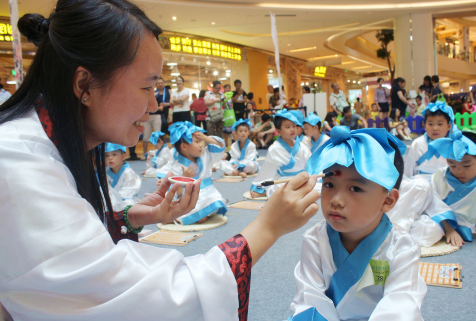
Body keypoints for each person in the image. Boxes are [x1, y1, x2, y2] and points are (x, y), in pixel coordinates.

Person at [0, 2, 321, 319]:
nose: (155, 105)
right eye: (146, 87)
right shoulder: (19, 164)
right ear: (84, 84)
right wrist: (268, 226)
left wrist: (131, 217)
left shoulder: (45, 143)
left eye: (158, 88)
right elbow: (136, 298)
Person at [289, 126, 426, 320]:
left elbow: (401, 306)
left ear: (388, 201)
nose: (336, 200)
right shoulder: (314, 240)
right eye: (329, 184)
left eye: (355, 188)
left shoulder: (403, 247)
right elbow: (310, 298)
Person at [156, 121, 227, 224]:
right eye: (197, 142)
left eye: (200, 142)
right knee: (183, 206)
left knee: (215, 201)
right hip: (187, 197)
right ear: (184, 147)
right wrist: (184, 178)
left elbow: (220, 146)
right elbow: (175, 193)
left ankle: (199, 215)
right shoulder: (177, 166)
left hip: (208, 192)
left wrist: (206, 138)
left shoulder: (204, 154)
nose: (200, 145)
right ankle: (184, 217)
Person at [427, 131, 476, 246]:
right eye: (453, 165)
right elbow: (434, 204)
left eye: (467, 165)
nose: (459, 171)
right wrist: (448, 229)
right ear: (447, 161)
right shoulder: (439, 176)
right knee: (426, 232)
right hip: (442, 223)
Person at [250, 109, 311, 198]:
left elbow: (311, 164)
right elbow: (267, 170)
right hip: (284, 180)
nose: (292, 129)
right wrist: (260, 186)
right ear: (278, 131)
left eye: (294, 126)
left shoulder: (302, 146)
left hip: (302, 179)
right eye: (287, 127)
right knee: (277, 188)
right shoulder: (274, 148)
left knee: (317, 185)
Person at [386, 175, 447, 247]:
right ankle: (392, 231)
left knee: (435, 231)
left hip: (426, 201)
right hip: (404, 185)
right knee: (419, 185)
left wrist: (448, 228)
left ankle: (397, 234)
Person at [404, 102, 454, 179]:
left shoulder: (454, 144)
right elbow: (408, 170)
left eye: (440, 124)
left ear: (449, 126)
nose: (435, 128)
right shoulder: (418, 143)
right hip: (422, 184)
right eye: (430, 124)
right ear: (425, 126)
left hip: (447, 184)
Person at [143, 78, 167, 156]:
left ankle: (159, 152)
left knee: (157, 135)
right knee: (145, 136)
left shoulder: (158, 95)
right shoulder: (145, 95)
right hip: (147, 117)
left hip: (156, 116)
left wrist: (151, 108)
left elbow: (161, 108)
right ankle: (145, 153)